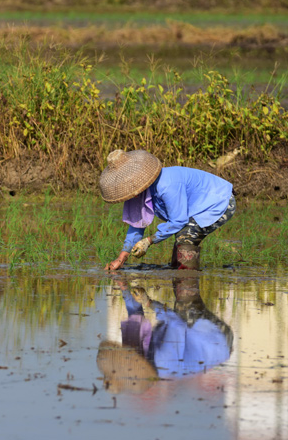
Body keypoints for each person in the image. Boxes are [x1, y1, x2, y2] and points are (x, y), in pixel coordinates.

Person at [99, 149, 236, 271]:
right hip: (195, 207)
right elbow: (137, 224)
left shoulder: (167, 185)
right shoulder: (138, 192)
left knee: (185, 238)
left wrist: (148, 241)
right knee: (177, 257)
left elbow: (178, 221)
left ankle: (188, 280)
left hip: (218, 201)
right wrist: (121, 258)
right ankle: (180, 275)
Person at [97, 276, 233, 393]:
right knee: (183, 306)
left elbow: (135, 317)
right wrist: (149, 303)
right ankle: (188, 266)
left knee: (177, 312)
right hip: (218, 340)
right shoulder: (164, 362)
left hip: (197, 335)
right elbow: (177, 324)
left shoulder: (134, 355)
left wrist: (124, 287)